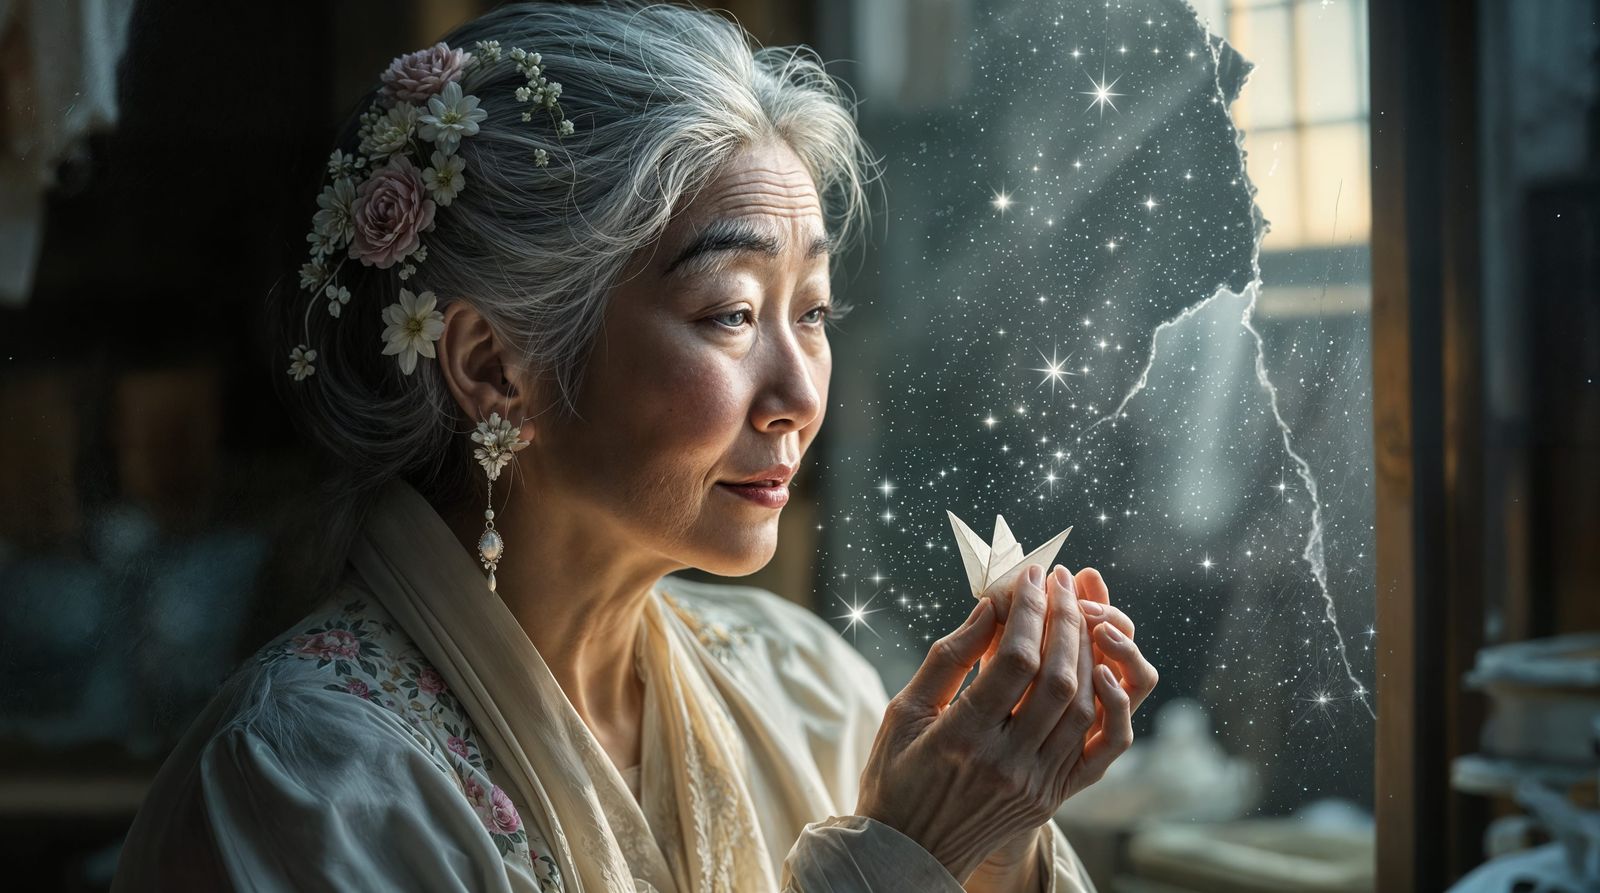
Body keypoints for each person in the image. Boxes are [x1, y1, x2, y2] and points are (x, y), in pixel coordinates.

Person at [112, 2, 1158, 890]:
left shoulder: (804, 682)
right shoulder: (309, 782)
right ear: (490, 364)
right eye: (731, 314)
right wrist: (904, 855)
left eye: (816, 312)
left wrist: (995, 835)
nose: (797, 394)